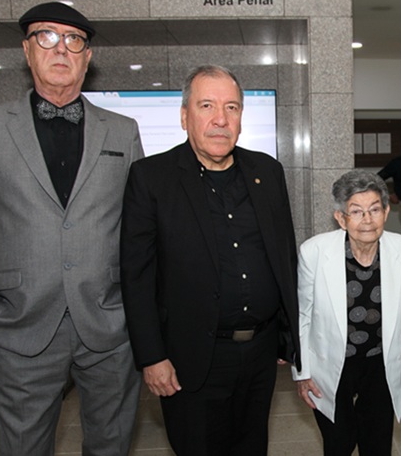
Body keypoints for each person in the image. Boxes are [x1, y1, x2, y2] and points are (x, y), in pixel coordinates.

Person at [0, 1, 144, 455]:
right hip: (19, 324)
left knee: (111, 443)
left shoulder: (122, 130)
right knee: (21, 446)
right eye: (47, 37)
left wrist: (137, 308)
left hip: (109, 323)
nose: (61, 49)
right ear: (27, 50)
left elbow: (139, 229)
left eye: (74, 40)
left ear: (87, 57)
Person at [120, 65, 300, 455]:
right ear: (185, 116)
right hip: (191, 358)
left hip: (260, 354)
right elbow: (137, 277)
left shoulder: (267, 172)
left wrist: (287, 337)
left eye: (231, 107)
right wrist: (152, 356)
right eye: (207, 106)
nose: (221, 119)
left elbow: (283, 255)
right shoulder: (152, 178)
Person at [292, 170, 401, 456]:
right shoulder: (315, 252)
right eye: (356, 212)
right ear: (341, 219)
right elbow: (302, 315)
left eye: (374, 210)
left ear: (386, 211)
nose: (367, 220)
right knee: (338, 443)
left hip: (379, 363)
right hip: (331, 363)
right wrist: (302, 372)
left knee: (377, 444)